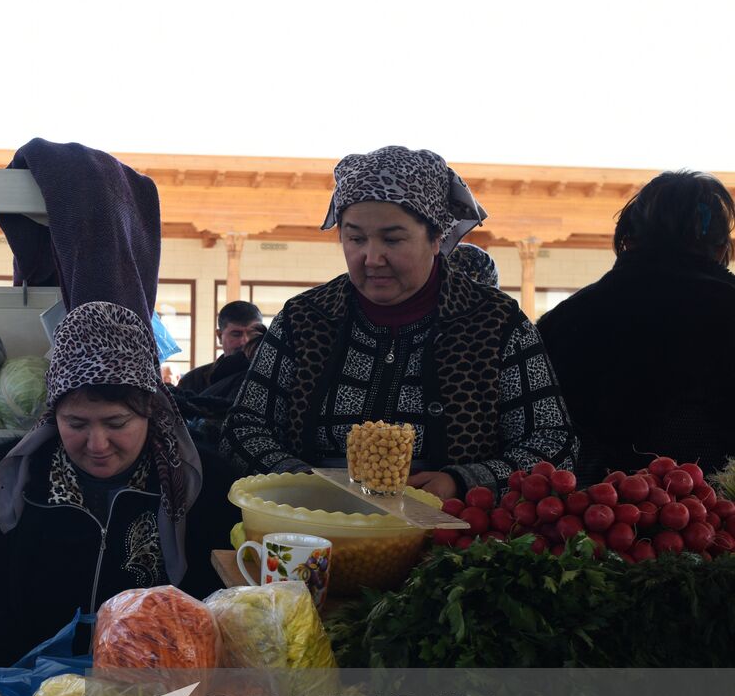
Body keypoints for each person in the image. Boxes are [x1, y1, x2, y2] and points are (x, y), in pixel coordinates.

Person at [220, 145, 577, 499]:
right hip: (317, 533)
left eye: (393, 239)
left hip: (452, 543)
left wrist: (465, 481)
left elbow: (554, 443)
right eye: (355, 238)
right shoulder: (305, 319)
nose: (372, 258)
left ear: (436, 237)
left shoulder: (496, 323)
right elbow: (244, 428)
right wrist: (301, 482)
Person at [0, 302, 242, 670]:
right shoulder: (10, 485)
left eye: (117, 423)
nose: (97, 444)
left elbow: (215, 615)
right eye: (76, 423)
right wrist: (37, 685)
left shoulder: (203, 489)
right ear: (52, 415)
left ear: (150, 411)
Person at [539, 171, 735, 482]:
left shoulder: (565, 319)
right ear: (722, 249)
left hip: (586, 518)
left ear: (629, 239)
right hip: (716, 517)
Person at [177, 301, 263, 395]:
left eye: (253, 334)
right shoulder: (193, 381)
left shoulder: (271, 379)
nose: (245, 341)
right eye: (236, 334)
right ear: (219, 336)